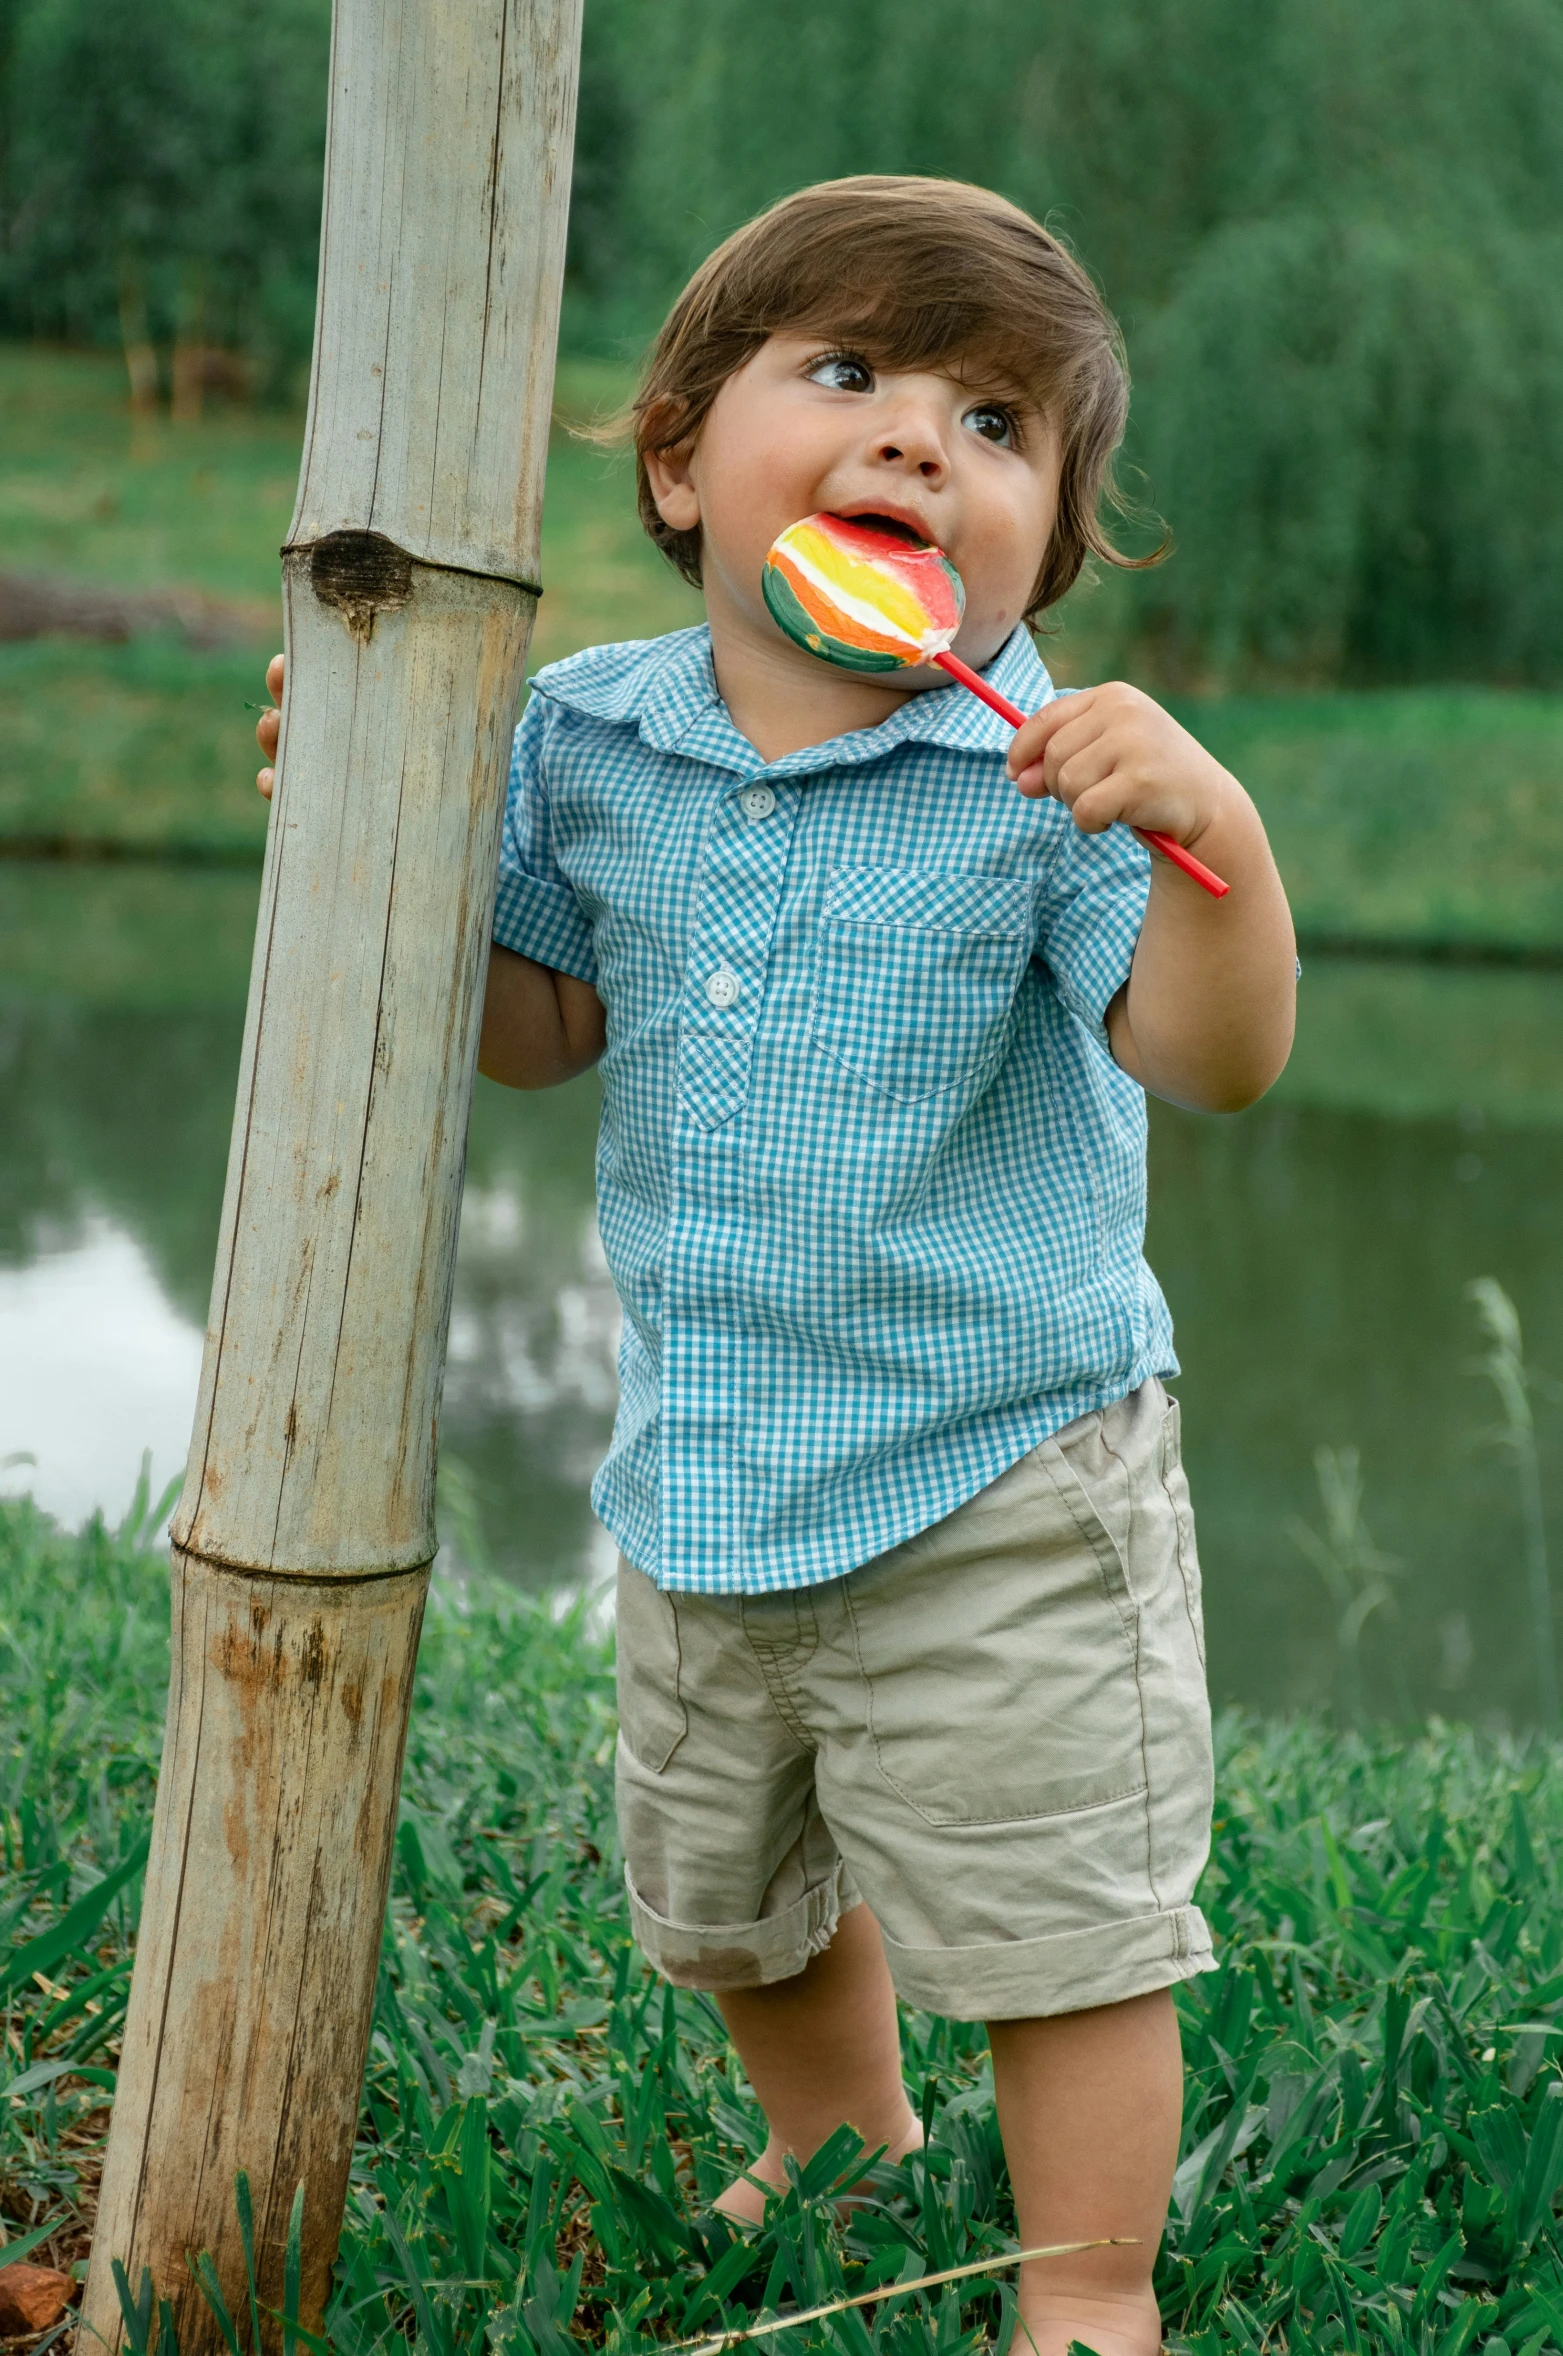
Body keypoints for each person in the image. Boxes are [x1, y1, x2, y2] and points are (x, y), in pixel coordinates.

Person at [256, 175, 1295, 2356]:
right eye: (847, 377)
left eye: (996, 421)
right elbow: (539, 1037)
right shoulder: (583, 741)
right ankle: (839, 2135)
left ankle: (1089, 2283)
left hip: (1004, 1468)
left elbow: (1211, 1060)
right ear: (674, 458)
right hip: (711, 1457)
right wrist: (366, 823)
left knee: (1060, 1924)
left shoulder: (1048, 773)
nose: (921, 438)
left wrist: (1210, 831)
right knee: (729, 1895)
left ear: (1048, 534)